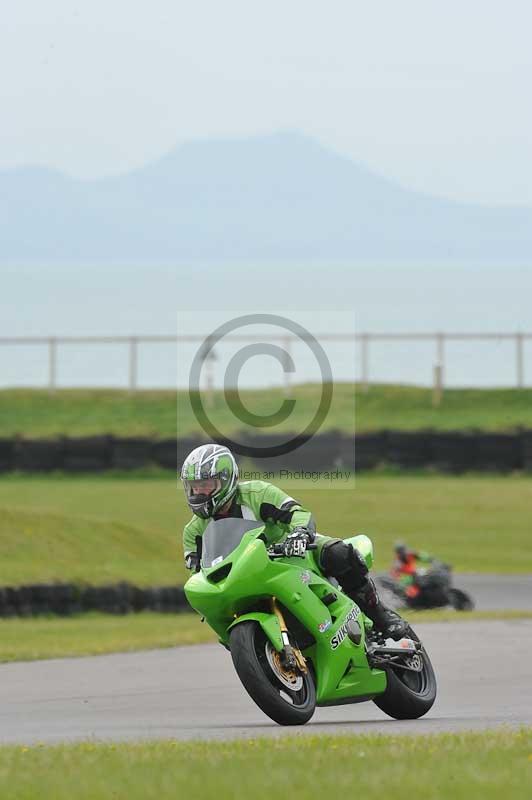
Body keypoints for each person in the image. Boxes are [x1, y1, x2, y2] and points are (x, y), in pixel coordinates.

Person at [181, 442, 408, 640]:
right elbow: (197, 574)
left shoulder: (257, 494)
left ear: (226, 479)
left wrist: (299, 533)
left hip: (291, 555)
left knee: (338, 552)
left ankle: (381, 616)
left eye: (206, 485)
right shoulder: (193, 532)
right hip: (245, 577)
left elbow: (298, 513)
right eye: (194, 487)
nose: (199, 493)